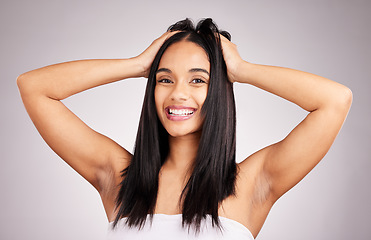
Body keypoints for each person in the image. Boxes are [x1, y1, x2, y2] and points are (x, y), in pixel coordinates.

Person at [17, 18, 352, 239]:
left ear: (220, 89)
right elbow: (34, 87)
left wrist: (240, 68)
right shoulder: (118, 177)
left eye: (198, 80)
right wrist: (137, 64)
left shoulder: (254, 182)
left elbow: (335, 100)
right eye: (165, 79)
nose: (178, 93)